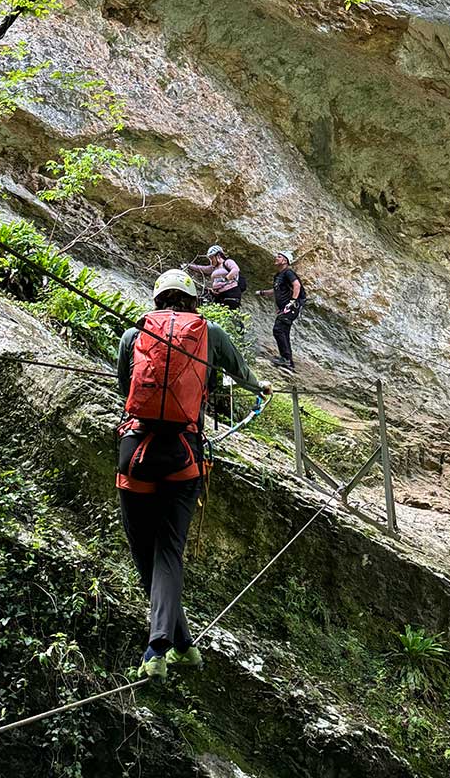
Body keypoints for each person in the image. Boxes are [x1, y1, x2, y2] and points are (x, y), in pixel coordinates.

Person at [117, 268, 269, 680]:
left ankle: (174, 645)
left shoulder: (135, 335)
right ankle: (165, 644)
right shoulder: (210, 333)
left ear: (157, 300)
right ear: (191, 302)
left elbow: (123, 391)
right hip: (184, 455)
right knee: (168, 551)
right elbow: (240, 372)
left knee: (145, 552)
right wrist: (260, 388)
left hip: (136, 454)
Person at [255, 251, 306, 371]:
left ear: (285, 260)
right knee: (284, 332)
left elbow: (297, 285)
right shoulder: (278, 276)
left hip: (292, 306)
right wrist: (262, 293)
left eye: (279, 257)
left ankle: (286, 359)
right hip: (285, 307)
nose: (276, 258)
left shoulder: (288, 272)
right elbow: (276, 290)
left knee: (278, 329)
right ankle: (289, 362)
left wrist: (292, 301)